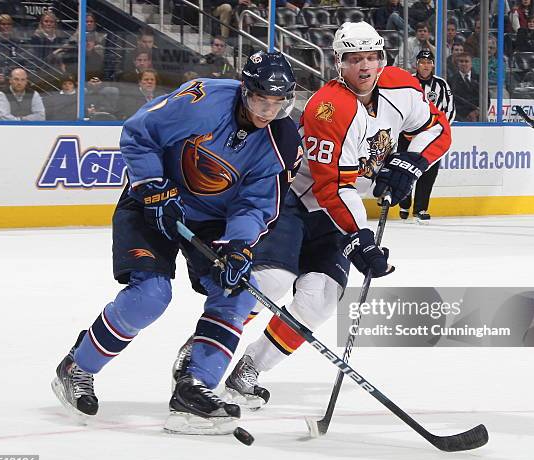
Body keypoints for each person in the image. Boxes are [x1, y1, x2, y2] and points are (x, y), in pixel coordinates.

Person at [171, 21, 452, 409]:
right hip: (293, 202)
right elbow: (330, 187)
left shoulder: (403, 86)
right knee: (270, 281)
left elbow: (437, 128)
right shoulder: (327, 108)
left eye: (372, 57)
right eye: (354, 59)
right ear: (339, 63)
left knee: (321, 299)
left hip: (337, 212)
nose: (365, 67)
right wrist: (361, 237)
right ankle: (202, 351)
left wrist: (411, 162)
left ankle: (249, 369)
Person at [51, 51, 302, 434]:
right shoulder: (201, 100)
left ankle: (193, 386)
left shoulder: (280, 141)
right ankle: (78, 366)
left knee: (237, 293)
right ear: (244, 89)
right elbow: (139, 133)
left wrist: (239, 245)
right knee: (150, 296)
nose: (268, 111)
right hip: (153, 200)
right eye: (260, 100)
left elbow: (257, 202)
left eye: (277, 102)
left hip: (212, 220)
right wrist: (153, 186)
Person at [399, 50, 455, 222]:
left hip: (431, 137)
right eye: (422, 62)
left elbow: (450, 110)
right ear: (417, 64)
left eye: (428, 62)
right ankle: (404, 202)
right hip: (407, 135)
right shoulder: (407, 81)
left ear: (433, 65)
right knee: (404, 168)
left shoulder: (441, 85)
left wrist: (439, 131)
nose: (425, 65)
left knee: (428, 173)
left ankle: (421, 208)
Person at [448, 52, 480, 122]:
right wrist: (467, 114)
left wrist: (477, 112)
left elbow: (486, 99)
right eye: (461, 61)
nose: (464, 64)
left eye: (466, 61)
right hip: (460, 118)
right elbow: (452, 101)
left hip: (479, 117)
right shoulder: (451, 81)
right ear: (457, 64)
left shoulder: (479, 79)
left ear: (471, 64)